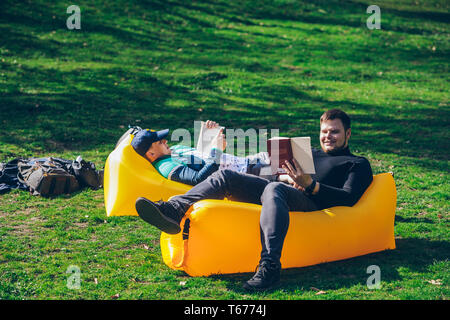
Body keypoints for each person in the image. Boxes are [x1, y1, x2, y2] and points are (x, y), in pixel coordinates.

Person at [135, 109, 373, 291]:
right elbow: (274, 175)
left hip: (312, 203)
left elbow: (348, 198)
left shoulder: (357, 163)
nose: (328, 136)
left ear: (348, 134)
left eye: (334, 132)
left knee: (274, 190)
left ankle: (269, 267)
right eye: (324, 132)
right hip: (287, 190)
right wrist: (282, 173)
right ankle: (174, 209)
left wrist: (311, 185)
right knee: (227, 175)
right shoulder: (309, 152)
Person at [131, 120, 271, 186]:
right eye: (160, 142)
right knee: (285, 157)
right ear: (151, 154)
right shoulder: (166, 166)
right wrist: (216, 150)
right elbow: (199, 179)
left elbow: (201, 157)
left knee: (279, 143)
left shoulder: (174, 150)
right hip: (247, 173)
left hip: (246, 162)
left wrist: (208, 135)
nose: (166, 141)